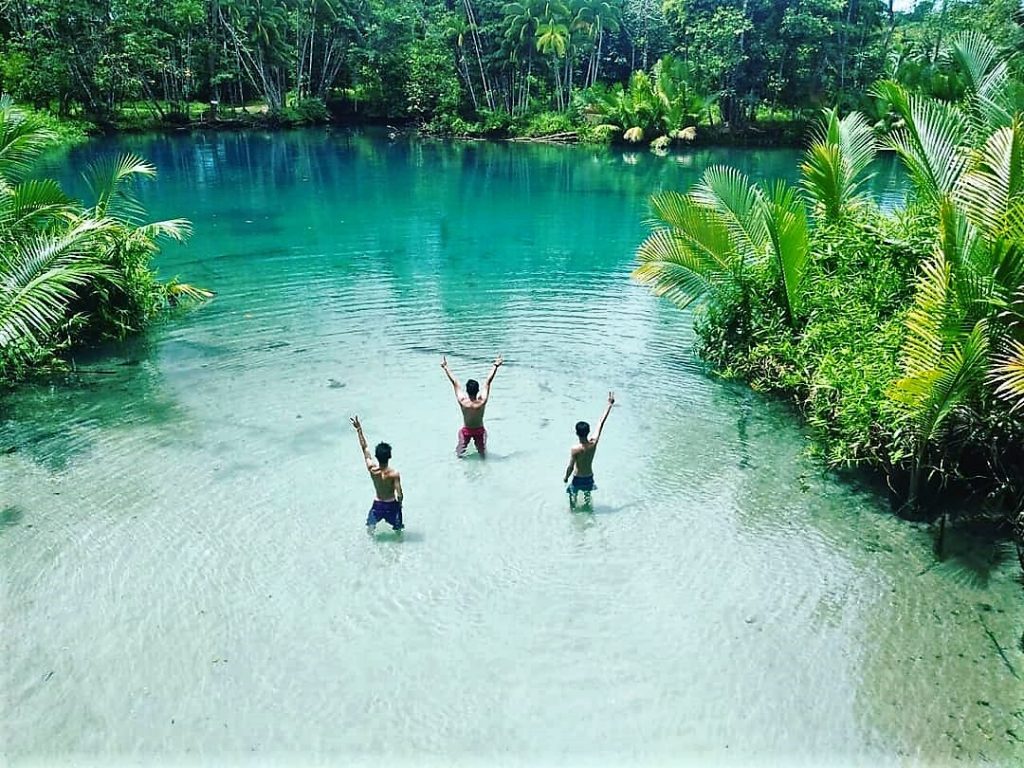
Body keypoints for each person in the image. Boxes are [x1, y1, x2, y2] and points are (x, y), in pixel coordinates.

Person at [441, 354, 503, 457]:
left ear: (467, 390)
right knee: (482, 454)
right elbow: (488, 382)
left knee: (459, 453)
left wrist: (445, 367)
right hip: (479, 431)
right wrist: (495, 366)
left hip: (466, 431)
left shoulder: (463, 401)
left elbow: (455, 382)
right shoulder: (481, 402)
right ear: (478, 390)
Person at [351, 416, 404, 532]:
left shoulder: (372, 469)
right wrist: (399, 505)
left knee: (370, 529)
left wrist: (359, 430)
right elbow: (399, 494)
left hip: (378, 504)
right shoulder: (394, 474)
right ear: (390, 456)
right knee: (398, 530)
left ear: (376, 456)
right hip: (391, 505)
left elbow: (364, 448)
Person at [563, 392, 615, 508]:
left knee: (572, 497)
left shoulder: (575, 449)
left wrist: (566, 477)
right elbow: (601, 423)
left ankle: (573, 515)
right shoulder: (593, 443)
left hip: (578, 478)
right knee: (587, 498)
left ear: (576, 433)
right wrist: (609, 405)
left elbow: (570, 467)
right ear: (588, 431)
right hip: (589, 477)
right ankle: (588, 510)